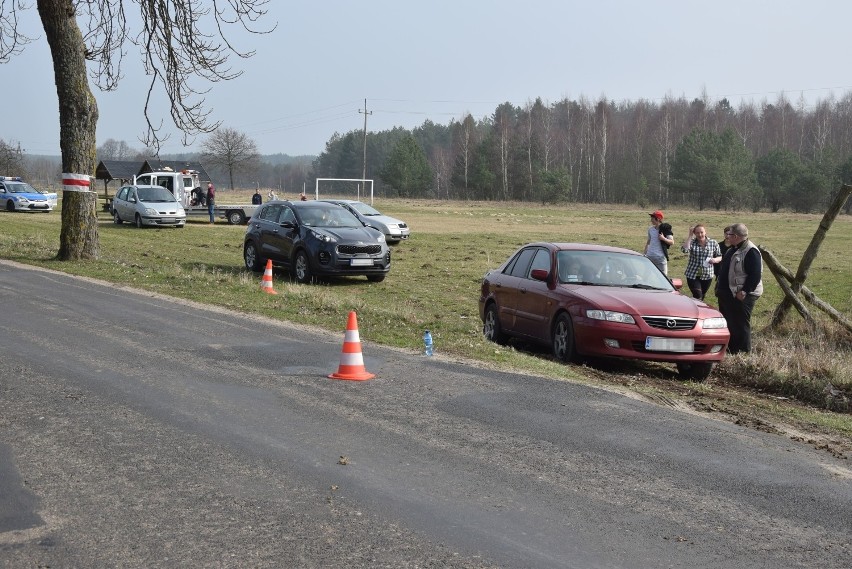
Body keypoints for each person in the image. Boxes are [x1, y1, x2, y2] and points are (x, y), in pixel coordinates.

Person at [715, 223, 763, 354]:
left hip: (742, 294)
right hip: (729, 293)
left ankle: (743, 352)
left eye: (729, 234)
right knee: (729, 321)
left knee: (740, 322)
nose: (727, 237)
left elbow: (755, 275)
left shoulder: (751, 251)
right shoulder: (733, 248)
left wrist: (744, 291)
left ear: (735, 236)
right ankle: (731, 349)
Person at [681, 223, 721, 300]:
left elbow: (720, 256)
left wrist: (715, 260)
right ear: (694, 233)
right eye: (697, 233)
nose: (700, 234)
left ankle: (697, 309)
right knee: (698, 295)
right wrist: (690, 236)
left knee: (702, 295)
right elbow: (685, 250)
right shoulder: (692, 242)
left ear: (705, 232)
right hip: (692, 274)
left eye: (702, 232)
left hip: (707, 275)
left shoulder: (713, 243)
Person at [644, 210, 674, 275]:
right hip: (649, 257)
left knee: (663, 278)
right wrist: (645, 254)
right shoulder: (650, 229)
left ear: (657, 219)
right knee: (646, 277)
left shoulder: (666, 229)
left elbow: (672, 242)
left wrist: (663, 239)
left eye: (652, 218)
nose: (651, 220)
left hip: (660, 258)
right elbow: (648, 242)